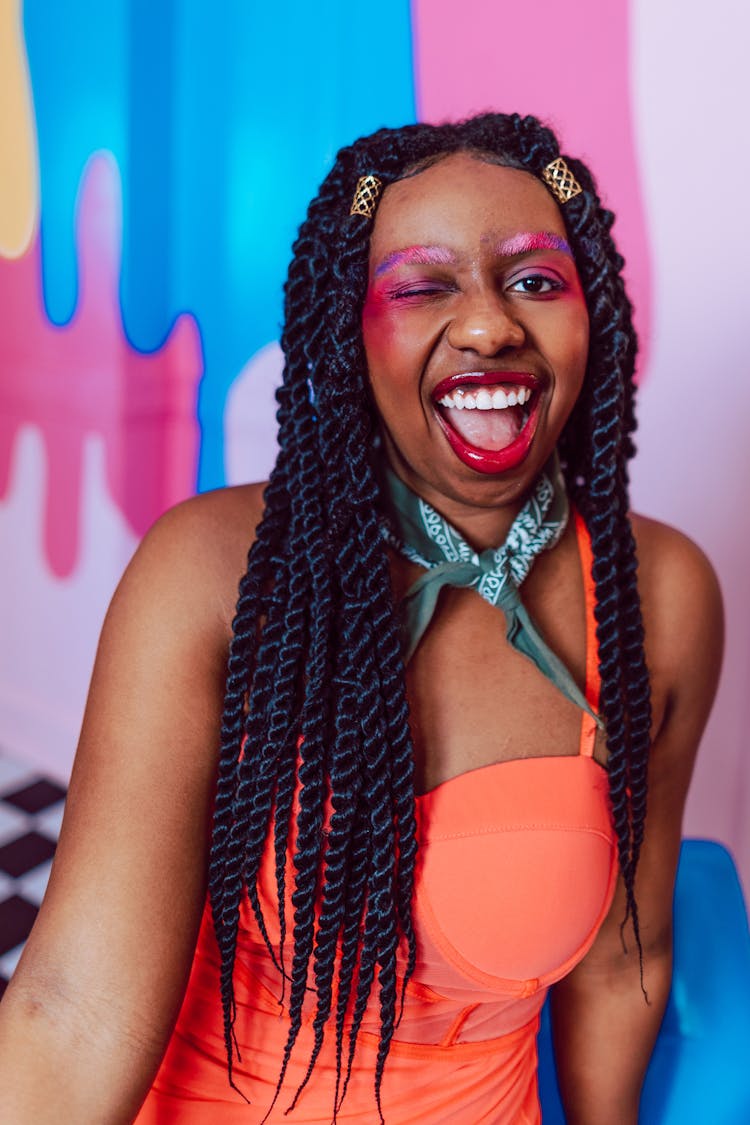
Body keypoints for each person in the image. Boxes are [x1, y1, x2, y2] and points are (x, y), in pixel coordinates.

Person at [0, 113, 723, 1124]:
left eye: (534, 280)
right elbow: (76, 1014)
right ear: (350, 334)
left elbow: (622, 958)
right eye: (425, 286)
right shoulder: (212, 574)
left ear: (590, 310)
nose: (487, 325)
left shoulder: (659, 594)